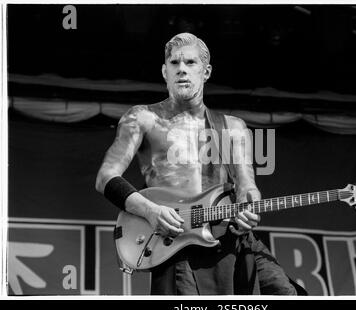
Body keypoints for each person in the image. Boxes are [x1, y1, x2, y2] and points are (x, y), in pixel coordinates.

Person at [96, 32, 302, 295]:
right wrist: (150, 211)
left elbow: (247, 186)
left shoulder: (233, 127)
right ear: (164, 71)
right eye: (174, 63)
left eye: (191, 63)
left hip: (229, 238)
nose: (182, 69)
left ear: (206, 72)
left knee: (284, 292)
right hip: (179, 241)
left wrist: (248, 210)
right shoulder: (143, 118)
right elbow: (105, 178)